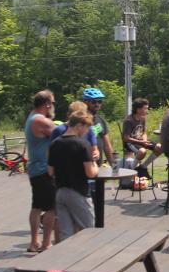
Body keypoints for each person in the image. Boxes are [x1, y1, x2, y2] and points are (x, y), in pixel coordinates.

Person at [48, 109, 99, 240]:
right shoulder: (83, 144)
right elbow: (91, 173)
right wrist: (96, 166)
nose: (87, 131)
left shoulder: (55, 144)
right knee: (89, 230)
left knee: (66, 233)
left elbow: (50, 171)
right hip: (78, 192)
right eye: (87, 127)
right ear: (79, 125)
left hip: (60, 192)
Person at [24, 90, 57, 254]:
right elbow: (61, 133)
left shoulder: (32, 116)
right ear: (47, 104)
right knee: (51, 208)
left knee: (37, 206)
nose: (53, 107)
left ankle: (34, 242)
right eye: (53, 103)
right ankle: (45, 244)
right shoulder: (39, 120)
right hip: (44, 169)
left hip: (35, 168)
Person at [81, 88, 114, 167]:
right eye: (94, 102)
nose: (97, 104)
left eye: (99, 101)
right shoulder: (80, 120)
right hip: (82, 165)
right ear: (85, 102)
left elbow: (107, 145)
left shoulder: (100, 120)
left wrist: (113, 165)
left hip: (97, 165)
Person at [121, 97, 152, 166]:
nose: (147, 111)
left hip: (141, 141)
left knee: (159, 147)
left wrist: (145, 141)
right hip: (130, 143)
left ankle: (144, 166)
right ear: (138, 109)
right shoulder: (129, 121)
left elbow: (144, 132)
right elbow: (126, 138)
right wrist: (142, 142)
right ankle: (132, 169)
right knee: (142, 151)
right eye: (145, 108)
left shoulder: (143, 118)